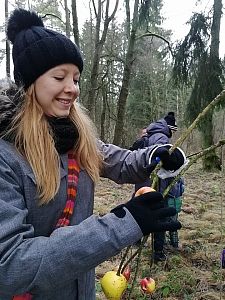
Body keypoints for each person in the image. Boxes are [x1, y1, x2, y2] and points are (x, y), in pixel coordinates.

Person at [0, 9, 186, 299]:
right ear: (29, 83)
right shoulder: (6, 155)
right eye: (60, 77)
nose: (72, 88)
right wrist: (124, 223)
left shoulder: (73, 136)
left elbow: (117, 161)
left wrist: (157, 154)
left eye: (75, 79)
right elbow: (10, 266)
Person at [130, 112, 186, 262]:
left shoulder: (150, 134)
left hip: (142, 181)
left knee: (139, 209)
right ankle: (158, 253)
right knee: (159, 215)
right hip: (154, 184)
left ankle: (134, 240)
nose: (173, 134)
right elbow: (163, 166)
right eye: (173, 131)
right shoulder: (161, 137)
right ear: (169, 128)